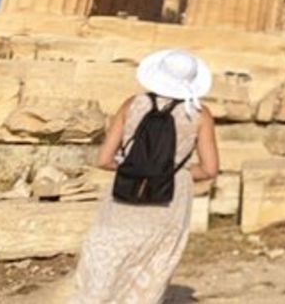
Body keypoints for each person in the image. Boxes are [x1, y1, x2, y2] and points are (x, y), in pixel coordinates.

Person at [69, 49, 220, 304]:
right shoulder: (200, 114)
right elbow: (209, 169)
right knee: (153, 266)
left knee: (106, 261)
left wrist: (135, 167)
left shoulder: (131, 104)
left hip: (126, 193)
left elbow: (104, 160)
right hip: (170, 198)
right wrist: (172, 172)